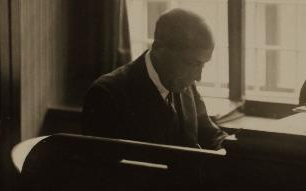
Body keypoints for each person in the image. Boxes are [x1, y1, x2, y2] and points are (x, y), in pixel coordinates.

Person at [82, 8, 229, 150]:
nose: (198, 77)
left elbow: (208, 133)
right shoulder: (106, 95)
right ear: (159, 48)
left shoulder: (185, 83)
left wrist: (230, 145)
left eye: (203, 64)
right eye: (192, 63)